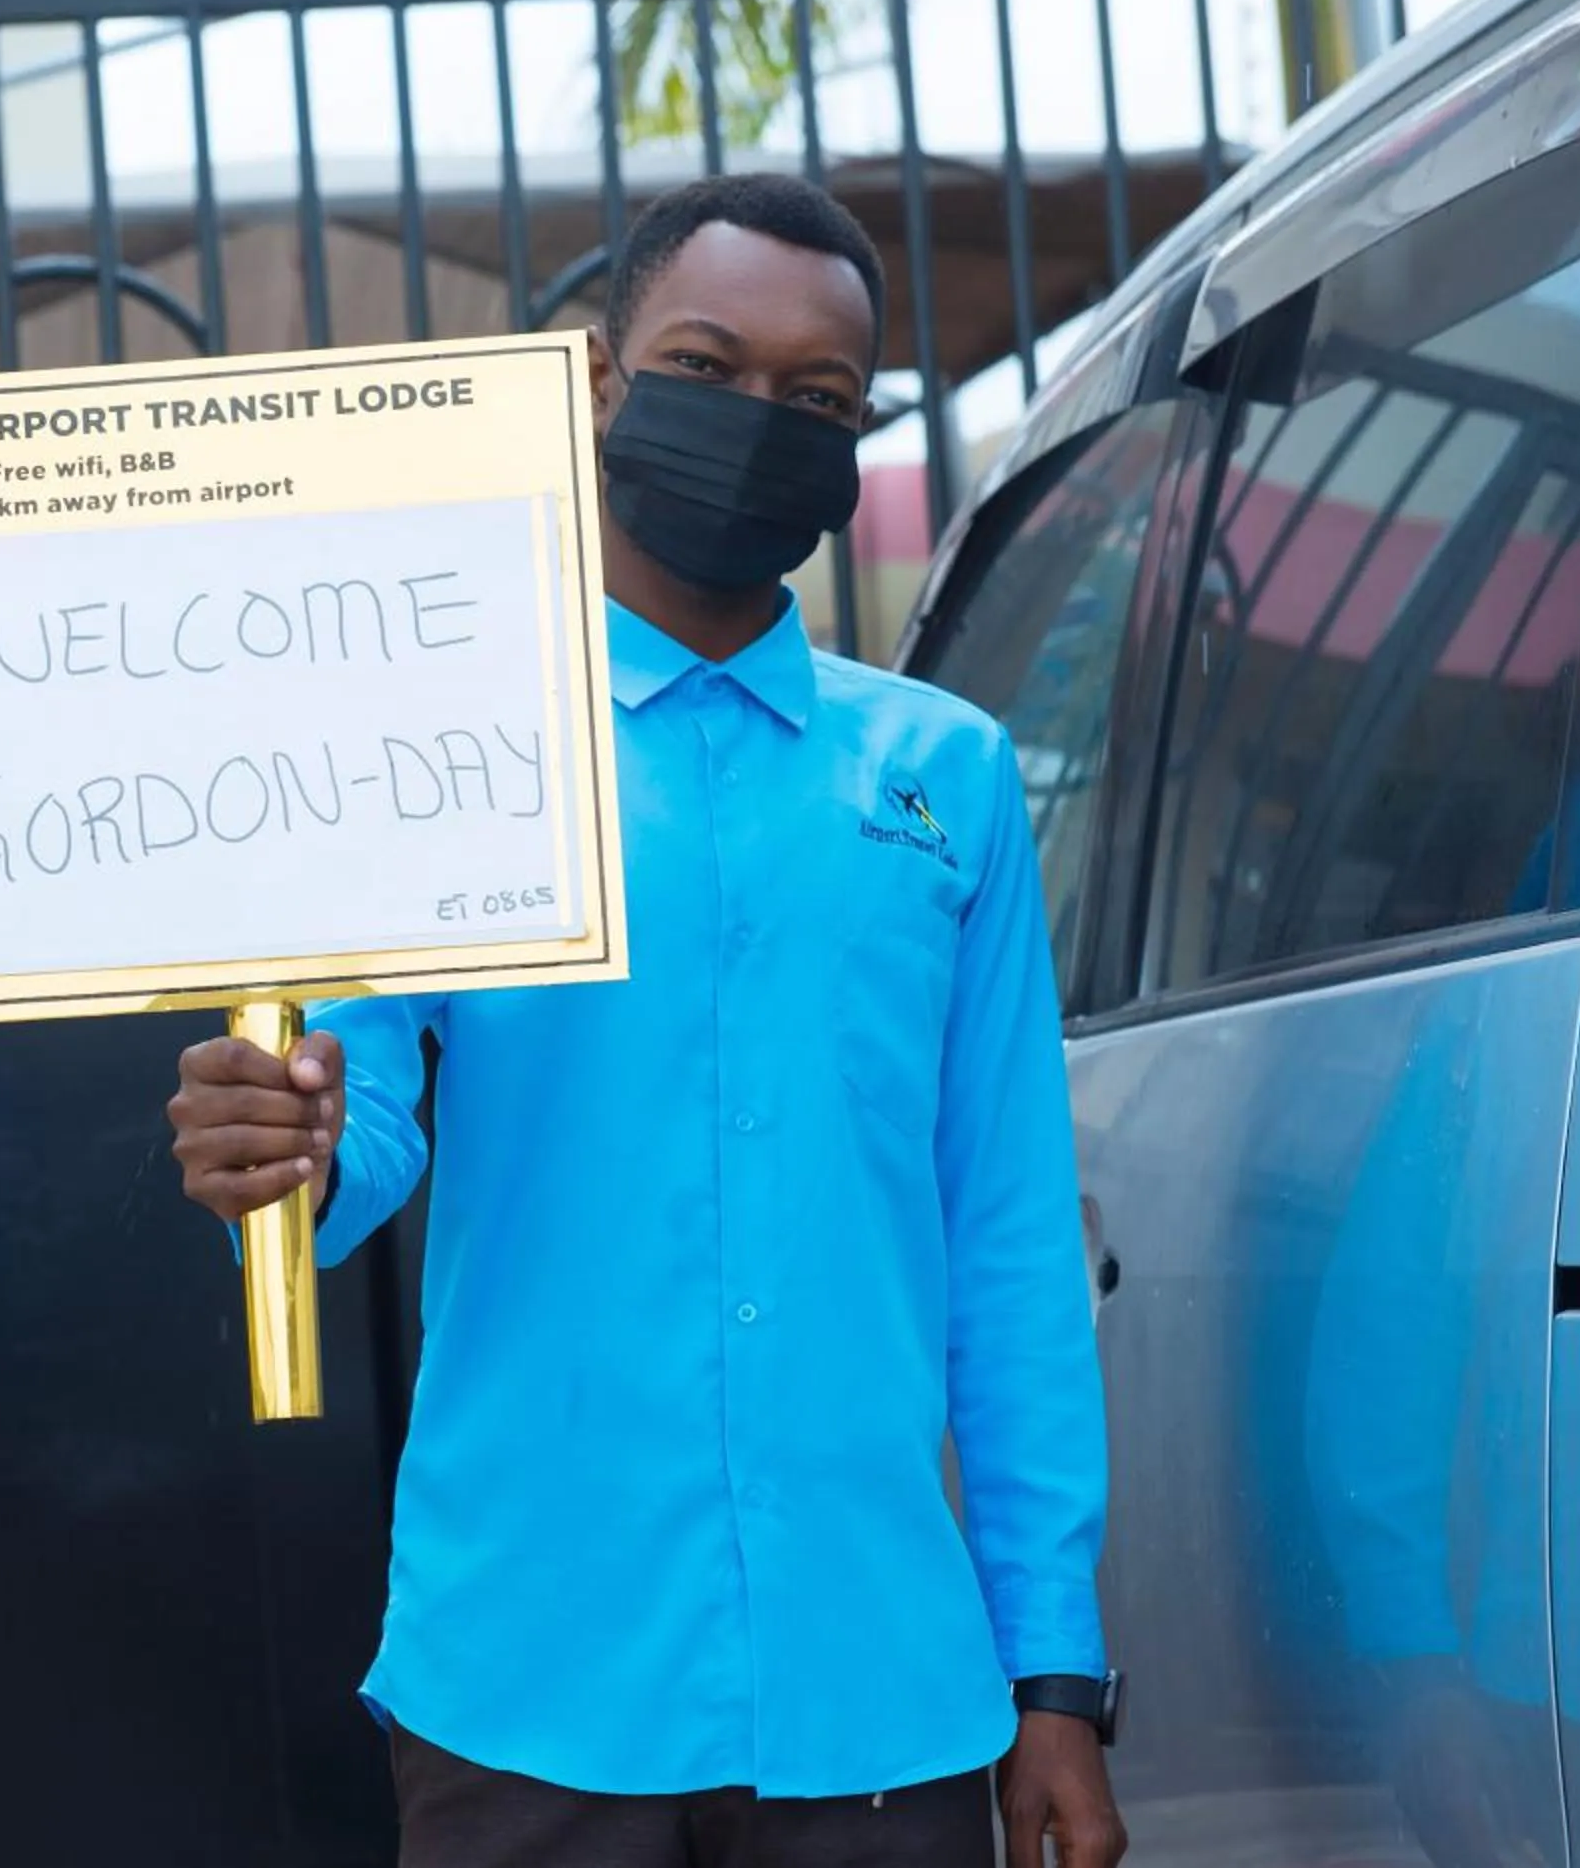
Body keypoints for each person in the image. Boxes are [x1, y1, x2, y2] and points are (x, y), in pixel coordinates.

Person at [164, 173, 1126, 1868]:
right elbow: (360, 1111)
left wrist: (1056, 1670)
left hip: (882, 1698)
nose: (760, 422)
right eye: (706, 362)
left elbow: (1012, 1248)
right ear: (600, 384)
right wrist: (293, 1143)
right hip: (532, 1686)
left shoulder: (946, 782)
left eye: (819, 401)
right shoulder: (441, 748)